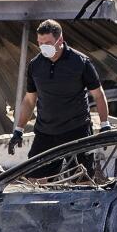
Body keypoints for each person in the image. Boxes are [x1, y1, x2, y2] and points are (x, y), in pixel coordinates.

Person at [8, 20, 110, 167]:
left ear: (60, 40)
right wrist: (18, 130)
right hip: (45, 132)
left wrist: (105, 124)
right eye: (40, 43)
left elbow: (98, 95)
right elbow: (30, 100)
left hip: (77, 131)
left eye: (48, 43)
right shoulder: (35, 65)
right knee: (35, 178)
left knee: (81, 180)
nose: (44, 47)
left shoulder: (80, 62)